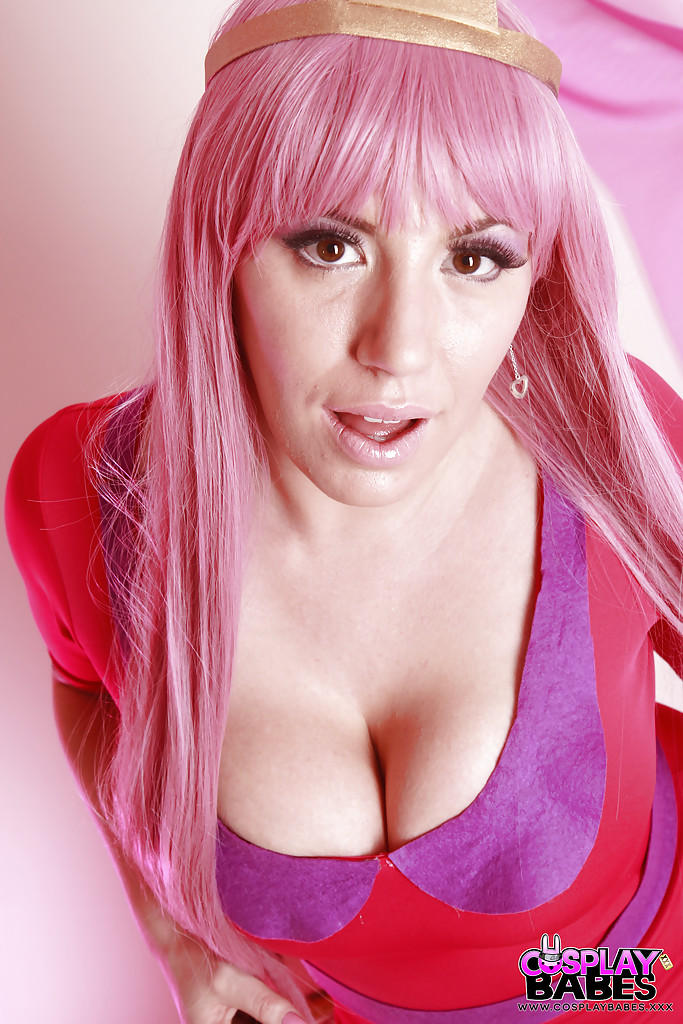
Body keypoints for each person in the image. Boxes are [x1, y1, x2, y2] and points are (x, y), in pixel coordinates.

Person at [5, 0, 683, 1021]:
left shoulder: (610, 440)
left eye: (474, 257)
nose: (398, 350)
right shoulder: (82, 492)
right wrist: (173, 935)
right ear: (219, 243)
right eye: (329, 245)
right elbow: (87, 691)